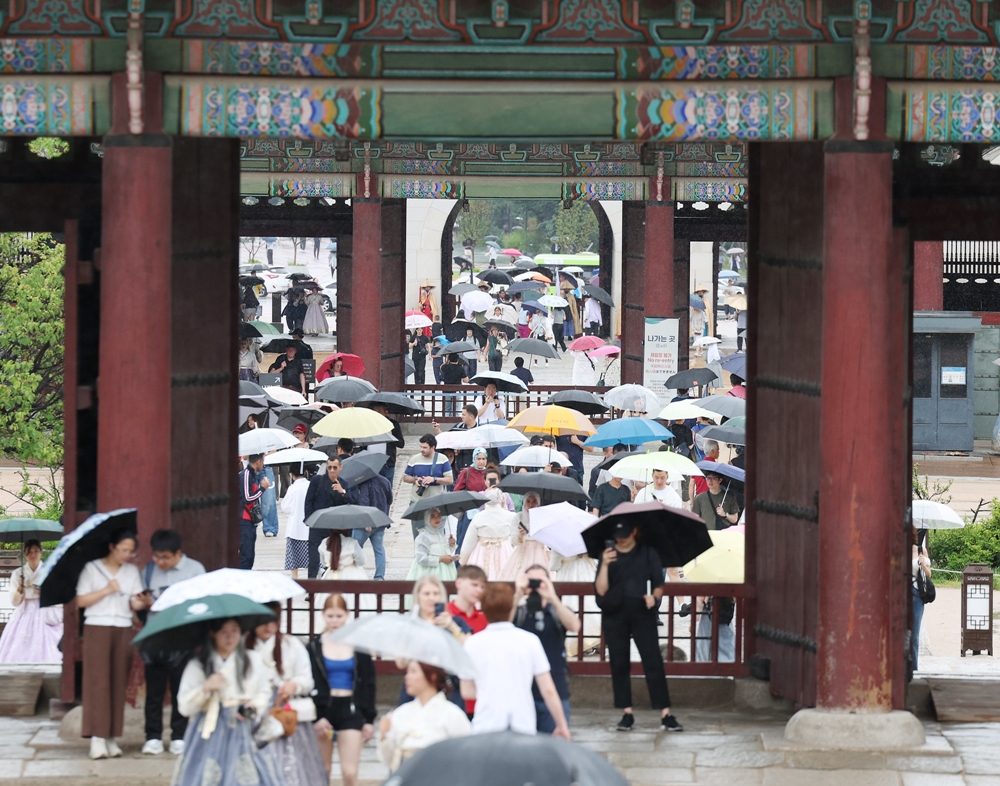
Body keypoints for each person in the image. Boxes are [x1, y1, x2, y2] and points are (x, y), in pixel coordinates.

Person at [596, 521, 683, 732]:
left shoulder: (648, 553)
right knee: (619, 662)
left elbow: (658, 585)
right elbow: (600, 590)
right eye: (618, 535)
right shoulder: (608, 554)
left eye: (625, 534)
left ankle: (665, 713)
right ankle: (627, 713)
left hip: (643, 612)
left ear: (635, 531)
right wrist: (605, 565)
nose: (622, 539)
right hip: (614, 614)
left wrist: (654, 598)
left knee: (653, 660)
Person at [173, 618, 281, 785]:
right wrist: (206, 688)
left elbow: (264, 691)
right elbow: (184, 706)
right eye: (224, 632)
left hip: (243, 726)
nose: (230, 637)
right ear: (212, 633)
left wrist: (253, 706)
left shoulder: (252, 660)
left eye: (235, 631)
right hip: (208, 728)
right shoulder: (199, 665)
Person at [461, 583, 570, 739]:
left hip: (486, 723)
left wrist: (492, 689)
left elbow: (467, 691)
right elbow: (548, 690)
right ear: (511, 607)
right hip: (522, 722)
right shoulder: (530, 641)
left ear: (483, 609)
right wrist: (561, 725)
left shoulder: (473, 643)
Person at [75, 529, 145, 760]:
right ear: (112, 547)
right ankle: (96, 738)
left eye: (130, 551)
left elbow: (134, 602)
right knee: (98, 681)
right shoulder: (91, 568)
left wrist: (139, 602)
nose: (127, 554)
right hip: (97, 626)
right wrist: (106, 590)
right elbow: (81, 600)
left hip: (123, 627)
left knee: (118, 681)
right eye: (123, 550)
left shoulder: (132, 571)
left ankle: (112, 737)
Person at [135, 531, 206, 756]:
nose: (160, 562)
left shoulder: (195, 571)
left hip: (182, 638)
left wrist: (155, 604)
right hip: (155, 638)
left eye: (165, 557)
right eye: (157, 556)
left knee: (180, 690)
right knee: (154, 692)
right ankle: (153, 736)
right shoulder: (148, 571)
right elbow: (140, 604)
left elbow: (196, 606)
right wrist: (142, 604)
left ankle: (179, 735)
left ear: (177, 553)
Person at [246, 602, 327, 785]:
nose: (268, 627)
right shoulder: (245, 648)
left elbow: (307, 679)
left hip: (285, 713)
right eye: (263, 621)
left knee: (294, 768)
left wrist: (294, 685)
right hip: (255, 712)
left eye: (273, 621)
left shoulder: (291, 644)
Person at [307, 594, 376, 786]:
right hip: (324, 708)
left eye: (339, 616)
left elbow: (369, 683)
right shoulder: (314, 646)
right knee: (323, 770)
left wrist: (369, 719)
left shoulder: (358, 646)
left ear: (347, 615)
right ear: (323, 616)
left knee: (349, 772)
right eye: (330, 616)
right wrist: (317, 716)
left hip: (351, 708)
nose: (335, 621)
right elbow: (309, 681)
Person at [513, 565, 581, 733]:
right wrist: (518, 593)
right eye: (532, 580)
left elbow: (575, 626)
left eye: (540, 581)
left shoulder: (556, 611)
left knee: (555, 749)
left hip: (556, 689)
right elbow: (501, 623)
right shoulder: (519, 612)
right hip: (522, 693)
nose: (536, 585)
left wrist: (553, 598)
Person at [378, 661, 471, 771]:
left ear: (432, 676)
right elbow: (388, 761)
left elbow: (466, 758)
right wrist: (385, 735)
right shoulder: (400, 713)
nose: (407, 677)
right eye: (407, 672)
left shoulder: (453, 714)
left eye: (413, 671)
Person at [0, 540, 62, 663]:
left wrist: (43, 592)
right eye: (29, 552)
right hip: (25, 610)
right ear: (25, 554)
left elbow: (59, 595)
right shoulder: (18, 573)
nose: (33, 555)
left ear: (41, 552)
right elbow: (14, 602)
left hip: (45, 609)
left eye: (36, 551)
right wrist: (20, 587)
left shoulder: (50, 571)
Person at [304, 457, 349, 578]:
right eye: (329, 467)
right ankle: (312, 588)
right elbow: (309, 501)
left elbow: (352, 503)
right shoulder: (317, 481)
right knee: (313, 558)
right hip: (318, 524)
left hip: (335, 527)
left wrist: (342, 492)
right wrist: (309, 520)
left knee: (334, 558)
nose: (332, 470)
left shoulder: (344, 484)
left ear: (340, 468)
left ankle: (333, 584)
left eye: (335, 467)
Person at [402, 434, 454, 538]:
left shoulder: (442, 459)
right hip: (417, 501)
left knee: (437, 534)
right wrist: (415, 480)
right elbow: (405, 477)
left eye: (425, 447)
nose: (422, 450)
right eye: (421, 447)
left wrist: (434, 479)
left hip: (436, 501)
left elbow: (450, 480)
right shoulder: (414, 459)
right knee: (418, 534)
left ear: (433, 447)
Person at [460, 488, 515, 580]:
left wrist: (463, 559)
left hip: (481, 550)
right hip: (504, 550)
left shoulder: (478, 516)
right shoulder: (510, 516)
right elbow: (515, 538)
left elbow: (469, 541)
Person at [348, 472, 392, 581]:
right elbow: (389, 499)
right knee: (379, 549)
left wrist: (366, 521)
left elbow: (364, 502)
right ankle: (379, 576)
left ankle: (354, 574)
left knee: (355, 548)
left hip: (365, 523)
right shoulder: (385, 481)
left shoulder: (364, 483)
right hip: (380, 520)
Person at [499, 492, 549, 580]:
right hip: (522, 551)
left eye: (534, 502)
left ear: (538, 503)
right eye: (528, 501)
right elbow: (513, 541)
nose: (531, 505)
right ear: (524, 502)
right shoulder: (518, 517)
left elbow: (548, 538)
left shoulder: (543, 518)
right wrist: (520, 536)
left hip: (540, 551)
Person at [408, 508, 458, 582]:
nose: (437, 518)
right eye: (433, 516)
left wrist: (451, 544)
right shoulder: (423, 536)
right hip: (429, 572)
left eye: (438, 516)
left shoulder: (439, 534)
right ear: (427, 519)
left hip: (445, 571)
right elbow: (421, 558)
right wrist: (440, 559)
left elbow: (443, 550)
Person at [453, 447, 489, 551]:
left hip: (484, 511)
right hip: (469, 511)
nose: (481, 462)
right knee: (464, 541)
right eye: (479, 459)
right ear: (474, 458)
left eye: (483, 459)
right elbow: (457, 491)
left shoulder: (488, 472)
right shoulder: (466, 472)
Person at [281, 464, 312, 579]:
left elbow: (284, 507)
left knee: (294, 558)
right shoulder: (310, 485)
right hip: (309, 527)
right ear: (305, 472)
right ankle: (312, 580)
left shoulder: (293, 488)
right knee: (311, 557)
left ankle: (295, 579)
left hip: (294, 528)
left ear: (292, 475)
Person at [239, 454, 269, 570]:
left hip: (250, 521)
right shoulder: (246, 474)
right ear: (258, 461)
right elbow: (247, 498)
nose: (263, 464)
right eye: (263, 461)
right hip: (244, 520)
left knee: (250, 555)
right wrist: (262, 489)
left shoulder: (252, 475)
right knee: (246, 555)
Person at [366, 402, 406, 485]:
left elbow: (401, 444)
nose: (376, 414)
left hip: (387, 463)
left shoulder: (392, 424)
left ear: (386, 412)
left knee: (386, 488)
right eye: (374, 411)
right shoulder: (368, 424)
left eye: (379, 411)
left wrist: (391, 437)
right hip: (370, 463)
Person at [912, 532, 932, 672]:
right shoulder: (898, 548)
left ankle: (914, 669)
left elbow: (929, 574)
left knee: (914, 635)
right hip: (900, 593)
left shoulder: (921, 550)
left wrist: (923, 564)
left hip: (916, 593)